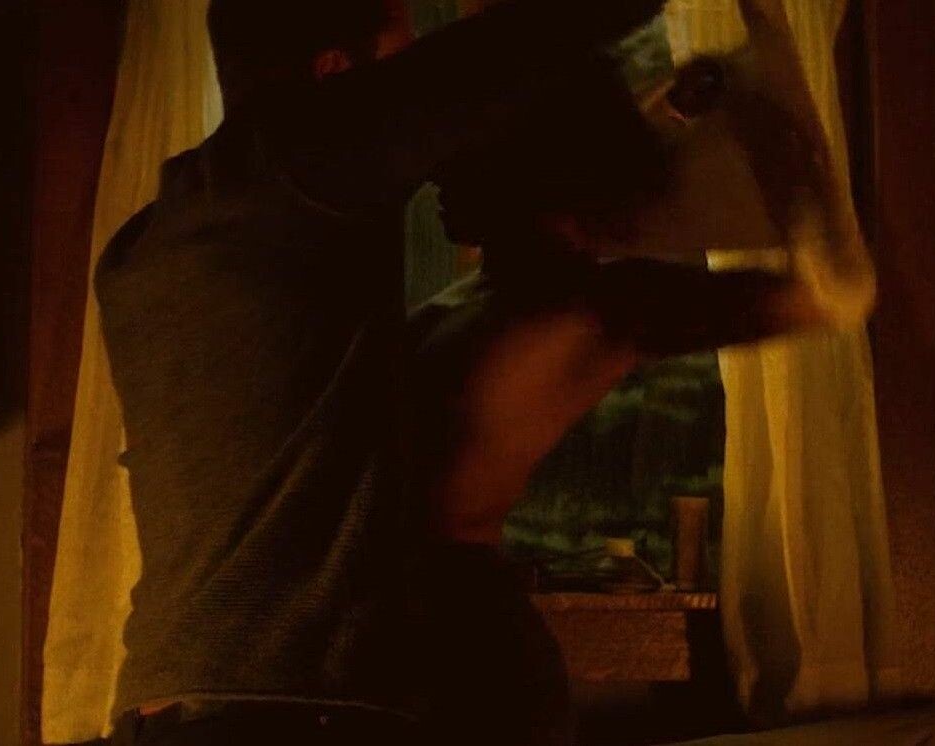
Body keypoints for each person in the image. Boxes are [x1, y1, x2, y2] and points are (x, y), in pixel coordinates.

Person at [90, 1, 667, 743]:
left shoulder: (147, 242)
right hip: (291, 711)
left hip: (166, 704)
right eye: (404, 59)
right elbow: (520, 45)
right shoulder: (295, 164)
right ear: (337, 74)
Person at [404, 37, 876, 740]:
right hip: (423, 640)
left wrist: (764, 121)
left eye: (468, 144)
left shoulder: (604, 308)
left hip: (466, 654)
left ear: (528, 166)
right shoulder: (497, 293)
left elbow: (833, 296)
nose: (441, 169)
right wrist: (678, 109)